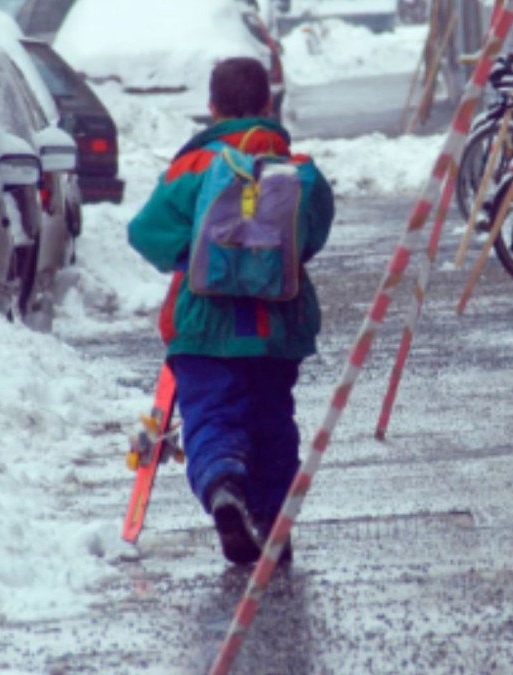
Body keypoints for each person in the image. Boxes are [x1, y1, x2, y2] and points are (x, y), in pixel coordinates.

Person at [128, 57, 335, 565]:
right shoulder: (300, 170)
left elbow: (145, 232)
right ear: (268, 104)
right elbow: (311, 235)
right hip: (276, 325)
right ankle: (272, 520)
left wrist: (202, 256)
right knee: (271, 419)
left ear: (212, 109)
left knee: (213, 414)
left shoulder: (193, 167)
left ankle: (224, 488)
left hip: (204, 325)